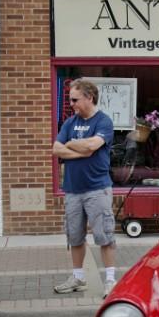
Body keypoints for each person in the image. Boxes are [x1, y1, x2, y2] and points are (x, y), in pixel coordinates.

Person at [52, 79, 117, 298]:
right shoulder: (70, 122)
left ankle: (110, 281)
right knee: (75, 236)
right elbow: (56, 149)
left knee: (104, 235)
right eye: (70, 99)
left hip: (97, 189)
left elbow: (92, 146)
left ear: (89, 97)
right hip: (72, 190)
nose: (71, 103)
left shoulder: (103, 122)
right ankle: (78, 278)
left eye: (75, 99)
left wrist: (71, 144)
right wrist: (78, 149)